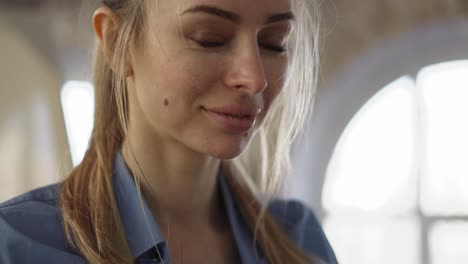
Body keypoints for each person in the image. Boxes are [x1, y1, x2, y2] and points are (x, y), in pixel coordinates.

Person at [0, 0, 338, 263]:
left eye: (274, 43)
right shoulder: (18, 245)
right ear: (117, 43)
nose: (254, 78)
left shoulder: (300, 239)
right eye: (210, 39)